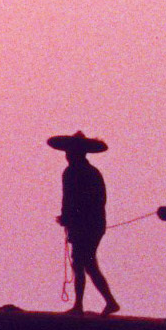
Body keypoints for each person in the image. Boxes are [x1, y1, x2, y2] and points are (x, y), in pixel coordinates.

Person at [47, 131, 121, 315]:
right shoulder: (85, 172)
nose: (67, 155)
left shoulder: (77, 172)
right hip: (90, 224)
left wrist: (70, 217)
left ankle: (82, 305)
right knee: (85, 263)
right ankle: (100, 303)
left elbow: (81, 199)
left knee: (82, 262)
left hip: (87, 225)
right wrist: (69, 217)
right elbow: (75, 200)